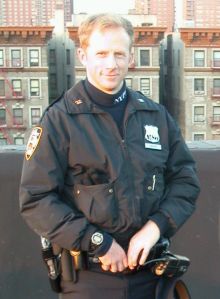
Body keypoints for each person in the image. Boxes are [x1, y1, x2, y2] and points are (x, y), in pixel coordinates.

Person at [19, 13, 200, 299]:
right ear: (83, 55)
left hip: (151, 276)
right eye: (101, 53)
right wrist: (98, 242)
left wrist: (155, 227)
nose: (111, 64)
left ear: (131, 58)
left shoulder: (155, 116)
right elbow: (36, 199)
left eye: (119, 54)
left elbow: (185, 182)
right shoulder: (59, 120)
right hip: (89, 280)